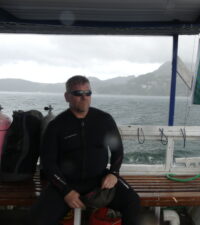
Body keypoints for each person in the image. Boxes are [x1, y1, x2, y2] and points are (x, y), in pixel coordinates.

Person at [26, 75, 140, 225]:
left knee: (133, 202)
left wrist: (113, 173)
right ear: (67, 97)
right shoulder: (56, 126)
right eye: (78, 93)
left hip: (99, 181)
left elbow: (117, 151)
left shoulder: (104, 120)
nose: (84, 97)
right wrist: (66, 191)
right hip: (66, 183)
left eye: (88, 93)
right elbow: (48, 163)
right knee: (36, 220)